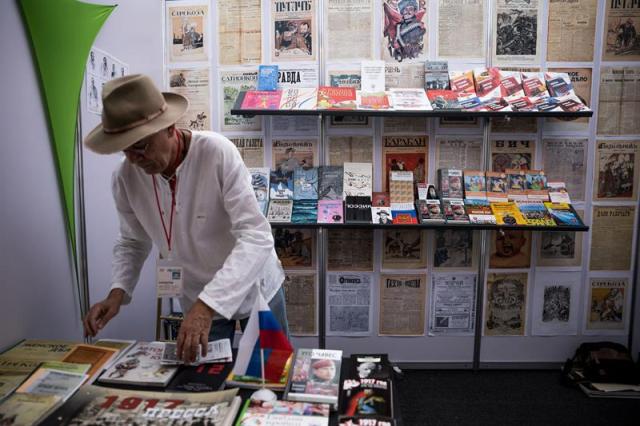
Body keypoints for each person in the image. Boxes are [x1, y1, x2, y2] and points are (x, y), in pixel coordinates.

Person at [82, 75, 287, 364]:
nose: (134, 159)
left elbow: (256, 235)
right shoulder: (125, 177)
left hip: (256, 288)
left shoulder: (217, 153)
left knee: (272, 371)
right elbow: (132, 240)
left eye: (140, 145)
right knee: (205, 380)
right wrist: (118, 291)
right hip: (197, 296)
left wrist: (208, 305)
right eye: (124, 149)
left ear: (169, 128)